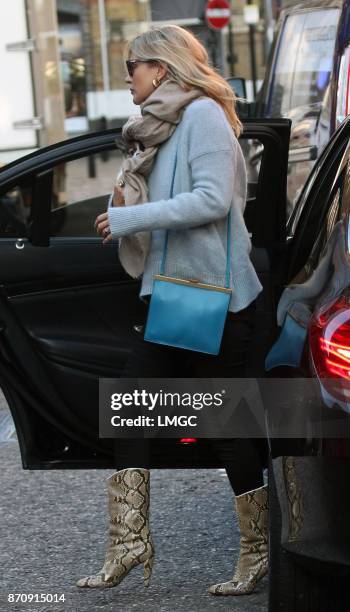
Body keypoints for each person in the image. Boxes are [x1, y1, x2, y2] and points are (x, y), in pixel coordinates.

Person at [76, 24, 268, 596]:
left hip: (213, 296)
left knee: (228, 425)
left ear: (160, 68)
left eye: (132, 65)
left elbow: (212, 199)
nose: (126, 76)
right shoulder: (161, 127)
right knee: (132, 405)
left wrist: (131, 217)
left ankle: (258, 553)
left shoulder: (204, 115)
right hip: (176, 291)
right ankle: (130, 541)